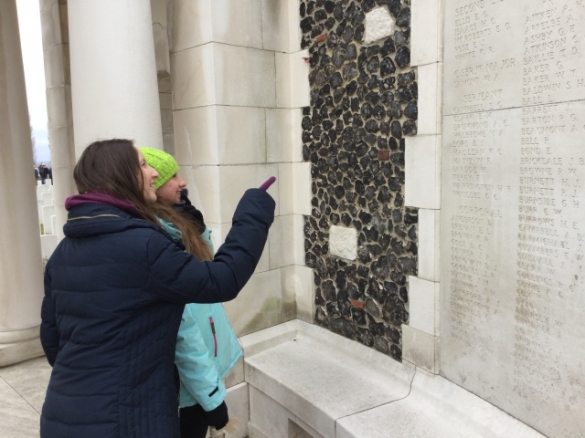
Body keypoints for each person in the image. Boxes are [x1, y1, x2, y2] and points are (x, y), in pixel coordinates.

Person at [40, 139, 275, 438]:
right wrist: (253, 210)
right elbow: (222, 279)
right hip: (126, 421)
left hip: (64, 413)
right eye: (142, 165)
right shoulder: (143, 246)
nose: (153, 173)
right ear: (121, 175)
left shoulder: (63, 253)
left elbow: (53, 343)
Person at [140, 147, 240, 438]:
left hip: (203, 373)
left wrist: (196, 225)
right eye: (173, 177)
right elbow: (185, 334)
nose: (181, 182)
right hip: (188, 390)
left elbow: (205, 263)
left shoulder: (178, 223)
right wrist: (212, 397)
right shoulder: (159, 242)